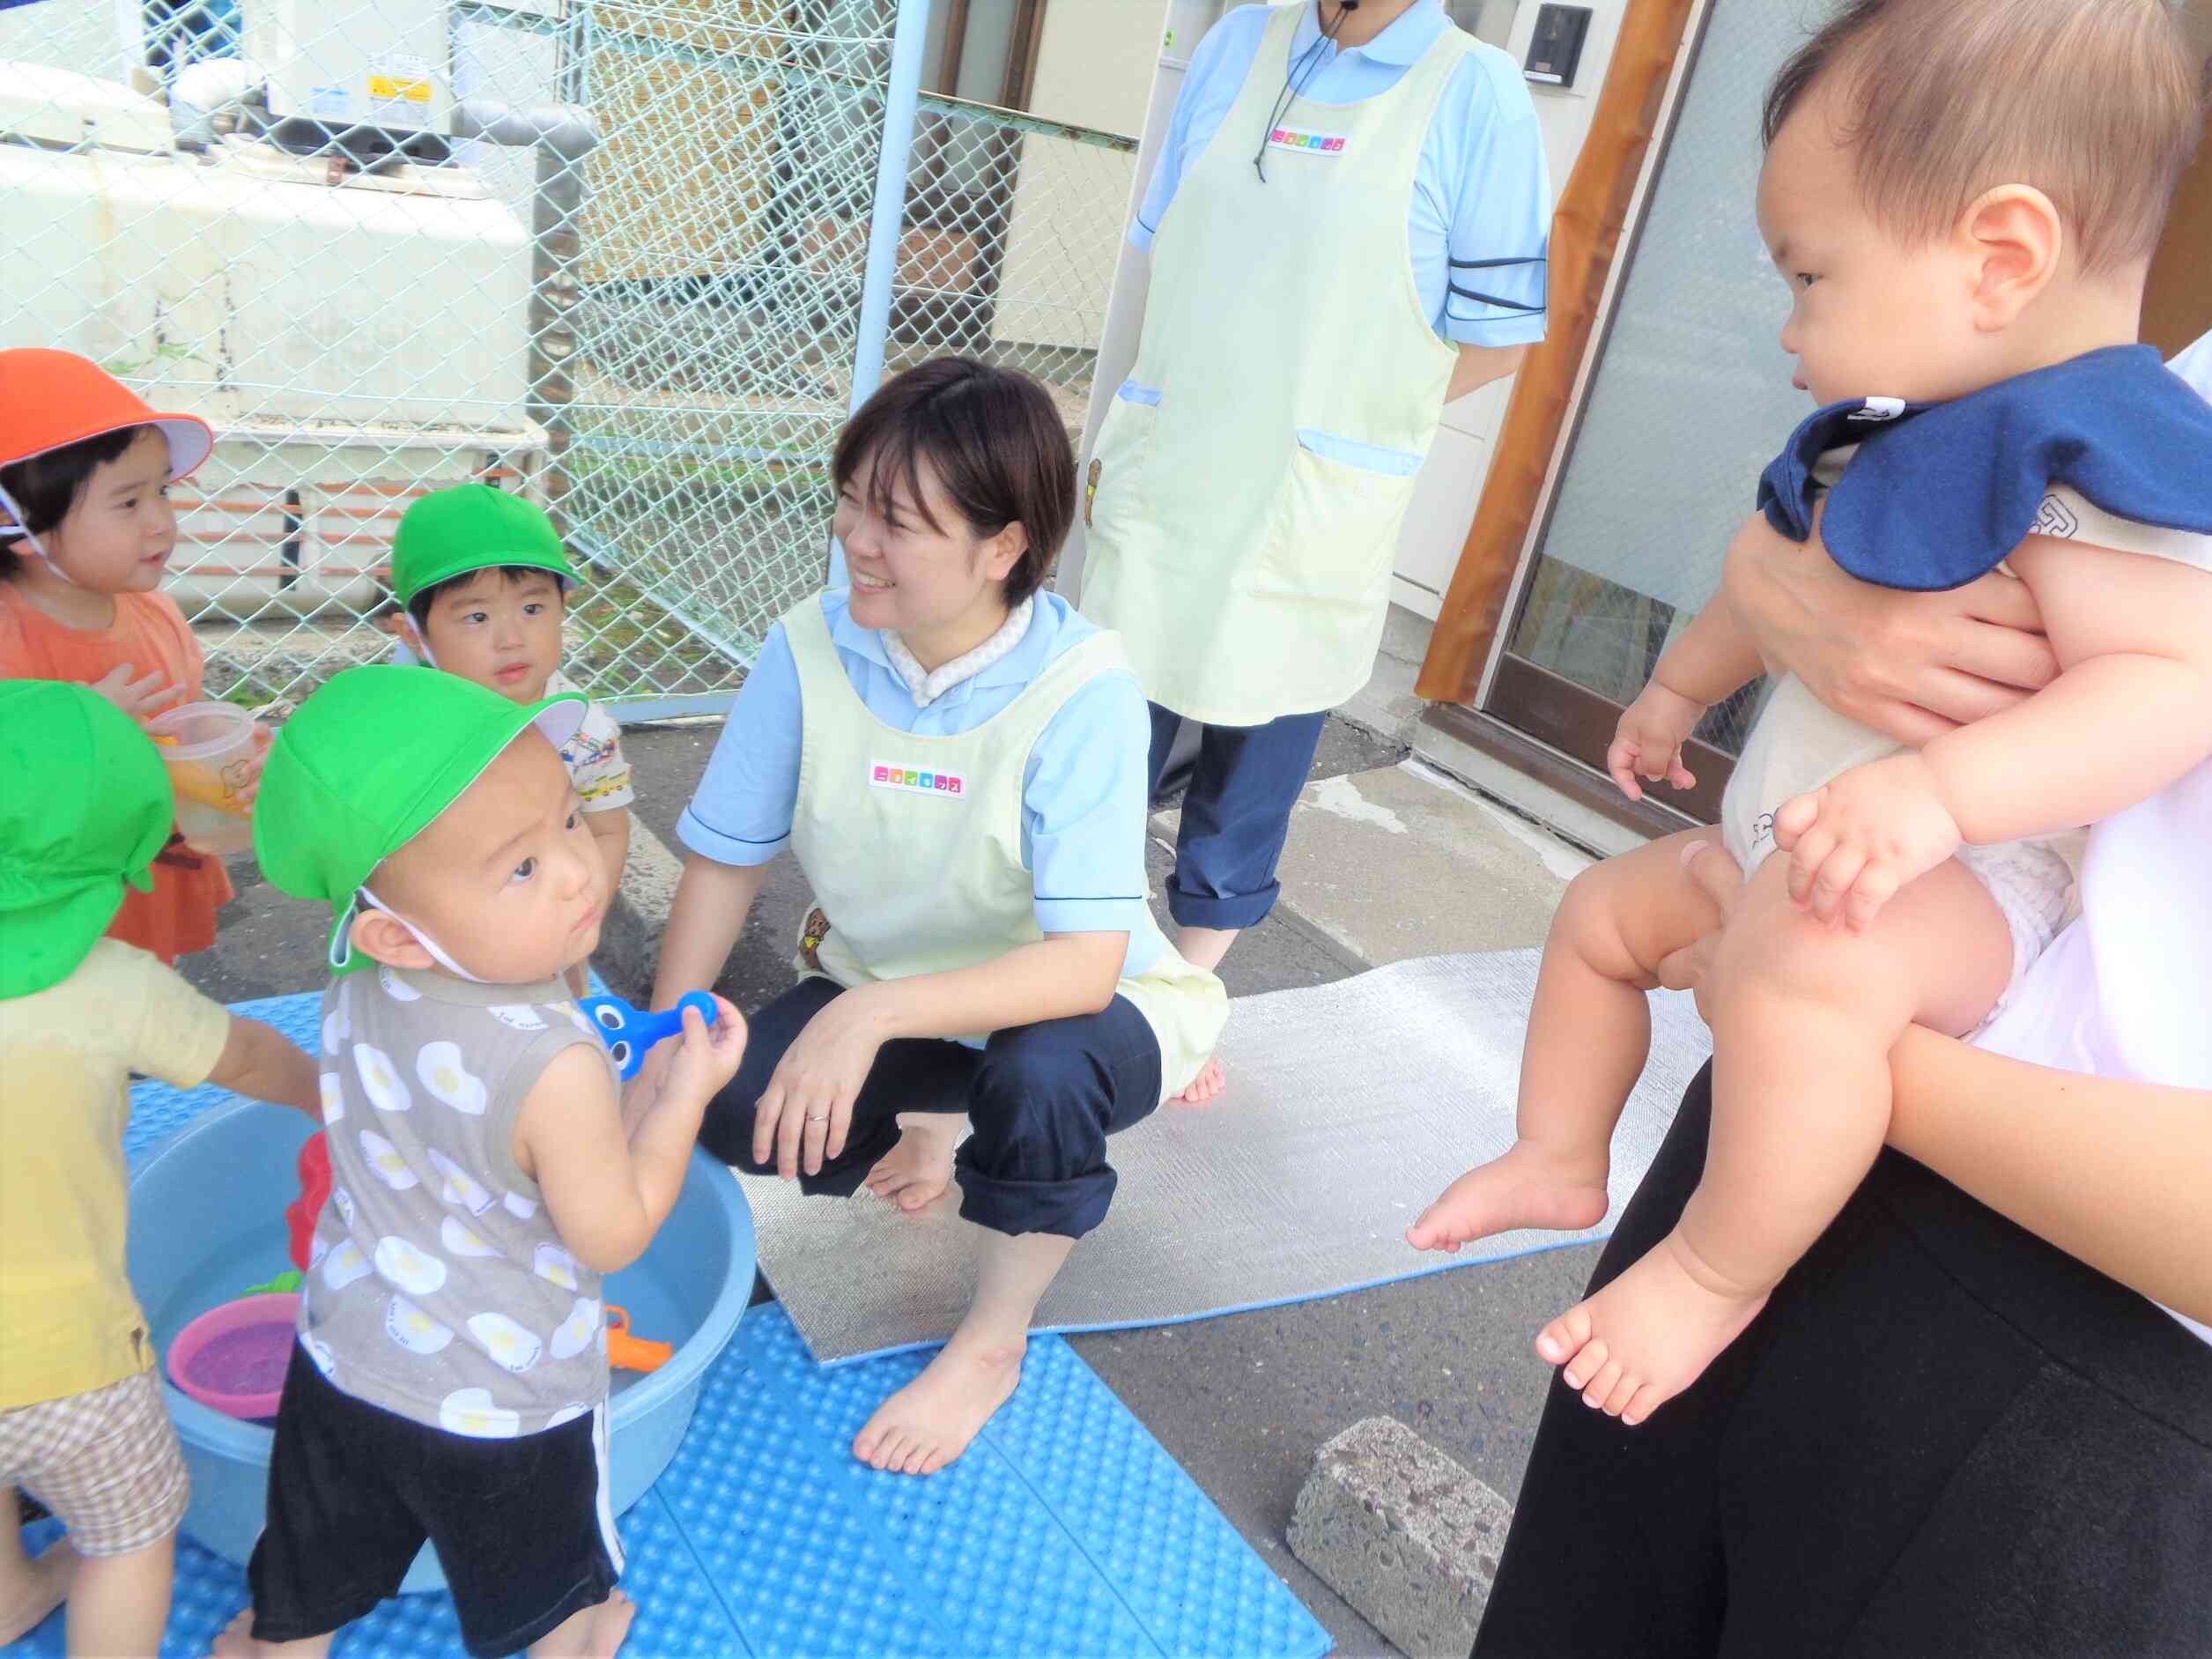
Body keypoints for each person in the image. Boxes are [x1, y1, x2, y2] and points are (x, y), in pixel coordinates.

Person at [1409, 0, 2210, 1422]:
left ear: (2000, 257)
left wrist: (1941, 796)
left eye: (1812, 278)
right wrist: (1673, 687)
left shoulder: (2097, 452)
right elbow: (1781, 570)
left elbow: (2169, 688)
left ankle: (1714, 1271)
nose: (1787, 329)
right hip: (1799, 855)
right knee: (1602, 914)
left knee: (1799, 969)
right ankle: (1557, 1147)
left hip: (1958, 891)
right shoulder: (1892, 424)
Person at [648, 358, 1227, 1478]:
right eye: (853, 501)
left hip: (1085, 1011)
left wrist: (867, 1013)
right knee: (718, 1102)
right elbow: (725, 858)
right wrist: (666, 1044)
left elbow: (1082, 970)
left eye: (900, 521)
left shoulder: (1084, 687)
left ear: (1004, 546)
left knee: (1042, 1078)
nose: (858, 540)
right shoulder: (808, 646)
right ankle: (927, 1128)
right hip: (898, 997)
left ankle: (991, 1337)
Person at [212, 666, 743, 1659]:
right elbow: (614, 1228)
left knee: (314, 1571)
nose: (581, 870)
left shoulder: (362, 977)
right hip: (506, 1406)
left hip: (346, 1358)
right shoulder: (557, 1065)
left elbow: (474, 1124)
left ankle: (275, 1642)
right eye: (521, 869)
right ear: (395, 932)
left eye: (569, 822)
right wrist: (680, 1099)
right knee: (546, 1595)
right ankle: (578, 1636)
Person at [1079, 0, 1550, 1033]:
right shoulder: (1235, 44)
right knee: (1101, 730)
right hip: (1176, 458)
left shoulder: (1476, 92)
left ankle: (1184, 997)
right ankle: (1081, 962)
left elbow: (1501, 335)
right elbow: (1167, 241)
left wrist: (1350, 418)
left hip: (1307, 495)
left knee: (1258, 748)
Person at [0, 682, 321, 1656]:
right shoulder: (111, 986)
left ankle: (11, 1592)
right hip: (64, 1361)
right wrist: (329, 1095)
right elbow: (254, 1059)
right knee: (132, 1531)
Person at [0, 348, 262, 963]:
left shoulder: (158, 617)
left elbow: (178, 740)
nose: (163, 523)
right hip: (35, 928)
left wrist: (230, 766)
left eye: (162, 491)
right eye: (129, 502)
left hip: (142, 890)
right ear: (17, 523)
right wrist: (74, 731)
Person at [386, 484, 636, 995]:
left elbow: (608, 831)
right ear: (415, 636)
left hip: (537, 943)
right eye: (477, 616)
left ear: (563, 607)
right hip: (422, 947)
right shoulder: (400, 726)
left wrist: (576, 930)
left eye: (532, 608)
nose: (512, 638)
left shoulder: (584, 731)